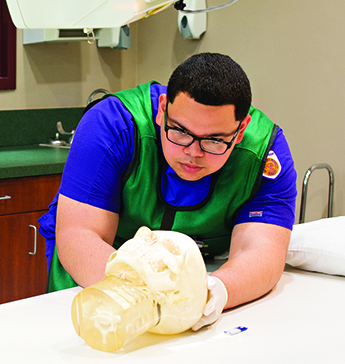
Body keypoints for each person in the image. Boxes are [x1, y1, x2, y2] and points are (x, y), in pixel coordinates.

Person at [38, 52, 297, 330]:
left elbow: (261, 251)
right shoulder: (112, 125)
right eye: (180, 131)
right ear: (162, 109)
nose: (193, 153)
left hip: (196, 294)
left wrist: (215, 291)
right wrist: (145, 293)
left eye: (213, 140)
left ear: (241, 128)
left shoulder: (263, 154)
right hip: (99, 278)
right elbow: (80, 235)